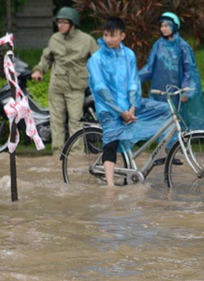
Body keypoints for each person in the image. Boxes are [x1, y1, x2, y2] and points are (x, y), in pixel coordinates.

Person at [88, 17, 171, 186]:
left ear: (122, 36)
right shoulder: (96, 59)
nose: (108, 39)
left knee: (167, 109)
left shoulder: (129, 55)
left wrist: (132, 106)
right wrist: (121, 111)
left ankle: (161, 153)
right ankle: (110, 186)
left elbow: (134, 82)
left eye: (112, 35)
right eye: (105, 35)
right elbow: (100, 88)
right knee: (111, 139)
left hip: (130, 105)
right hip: (108, 108)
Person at [31, 7, 99, 156]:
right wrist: (38, 70)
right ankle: (57, 155)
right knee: (56, 121)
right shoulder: (54, 38)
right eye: (58, 22)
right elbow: (47, 57)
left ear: (73, 24)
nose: (60, 25)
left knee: (75, 121)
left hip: (76, 87)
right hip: (57, 85)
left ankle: (76, 156)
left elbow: (99, 60)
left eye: (64, 22)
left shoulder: (86, 40)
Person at [138, 11, 204, 141]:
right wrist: (135, 81)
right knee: (161, 120)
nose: (163, 29)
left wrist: (186, 90)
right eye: (162, 26)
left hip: (177, 90)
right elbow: (149, 68)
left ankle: (172, 149)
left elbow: (190, 69)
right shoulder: (158, 45)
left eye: (167, 25)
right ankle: (163, 152)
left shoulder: (183, 46)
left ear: (174, 26)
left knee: (175, 120)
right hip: (159, 89)